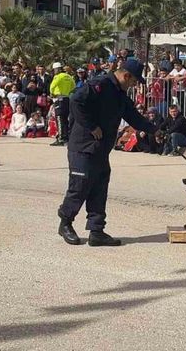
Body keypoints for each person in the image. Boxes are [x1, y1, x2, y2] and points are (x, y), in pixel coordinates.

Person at [58, 58, 156, 247]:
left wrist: (155, 130)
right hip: (83, 146)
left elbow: (133, 117)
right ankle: (65, 223)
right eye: (134, 82)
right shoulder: (99, 84)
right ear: (126, 75)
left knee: (99, 187)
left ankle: (97, 231)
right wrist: (91, 126)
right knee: (80, 185)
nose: (134, 85)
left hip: (101, 149)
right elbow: (75, 100)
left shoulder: (119, 94)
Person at [49, 62, 76, 147]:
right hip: (67, 99)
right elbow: (73, 86)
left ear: (57, 69)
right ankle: (66, 137)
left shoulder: (58, 76)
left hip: (59, 98)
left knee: (59, 118)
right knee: (65, 118)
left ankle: (61, 138)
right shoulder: (68, 76)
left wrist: (52, 93)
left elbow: (52, 86)